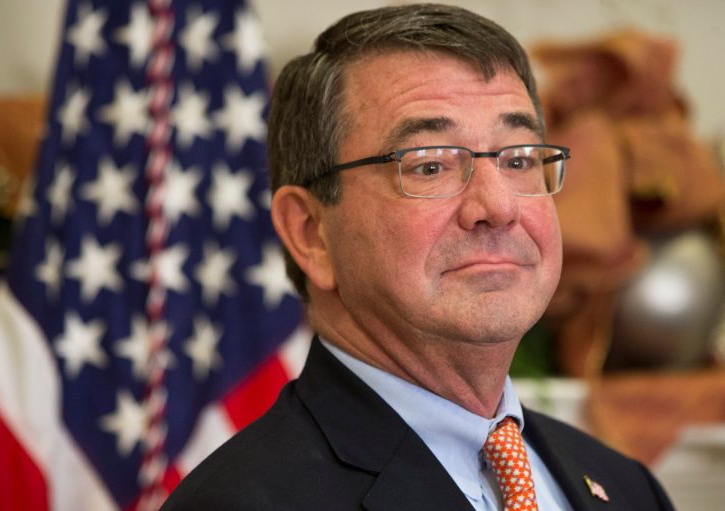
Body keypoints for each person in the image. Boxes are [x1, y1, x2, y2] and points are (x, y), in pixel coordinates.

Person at [161, 4, 674, 510]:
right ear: (310, 232)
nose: (497, 206)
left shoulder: (627, 488)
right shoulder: (241, 502)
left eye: (519, 158)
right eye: (430, 166)